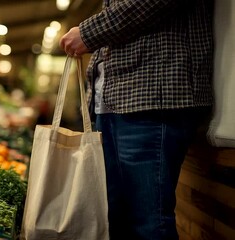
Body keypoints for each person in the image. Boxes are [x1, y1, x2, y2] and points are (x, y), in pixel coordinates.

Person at [59, 1, 214, 239]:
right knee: (114, 217)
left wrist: (88, 33)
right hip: (113, 100)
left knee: (148, 221)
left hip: (151, 94)